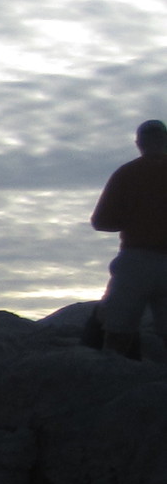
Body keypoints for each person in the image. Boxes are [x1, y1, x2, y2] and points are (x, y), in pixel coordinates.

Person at [91, 118, 167, 359]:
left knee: (117, 332)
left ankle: (111, 380)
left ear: (138, 144)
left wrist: (136, 219)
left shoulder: (126, 173)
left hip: (136, 261)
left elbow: (101, 222)